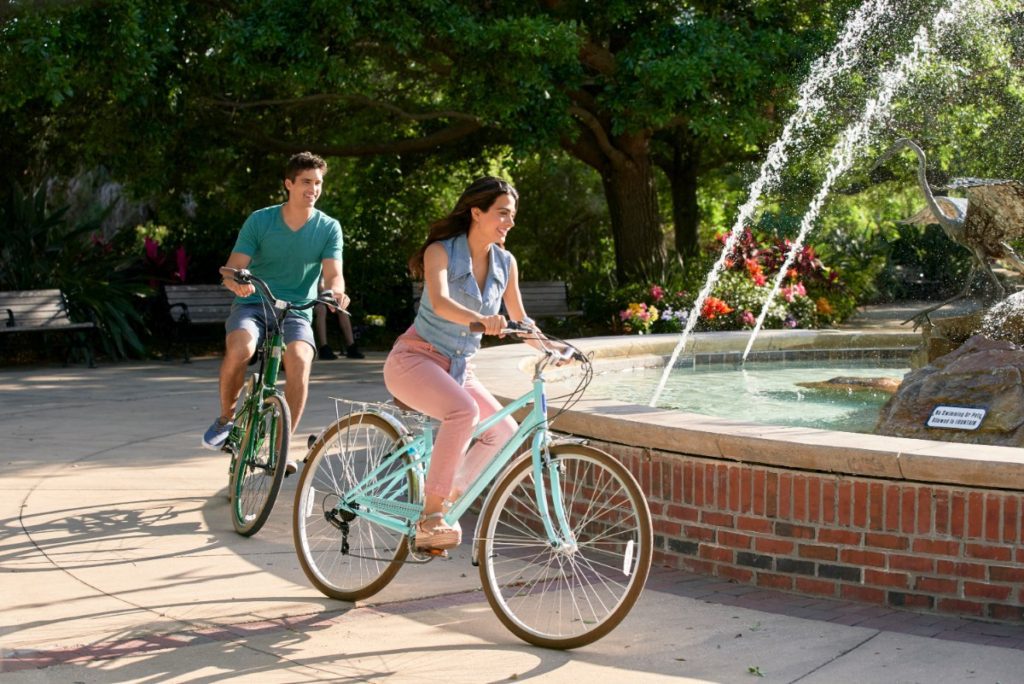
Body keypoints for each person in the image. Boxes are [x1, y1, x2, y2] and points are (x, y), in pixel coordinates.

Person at [382, 176, 571, 551]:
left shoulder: (505, 262)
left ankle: (447, 497)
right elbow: (439, 302)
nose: (510, 222)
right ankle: (430, 517)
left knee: (502, 431)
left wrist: (552, 347)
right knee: (463, 411)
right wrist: (482, 319)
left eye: (512, 215)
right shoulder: (441, 251)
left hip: (458, 369)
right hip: (414, 360)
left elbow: (520, 318)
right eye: (502, 213)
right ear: (476, 212)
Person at [202, 151, 350, 476]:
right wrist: (236, 283)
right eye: (306, 182)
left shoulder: (328, 228)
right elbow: (233, 268)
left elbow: (333, 273)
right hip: (254, 303)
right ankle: (226, 420)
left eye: (318, 183)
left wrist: (337, 290)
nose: (313, 189)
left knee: (299, 361)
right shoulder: (261, 220)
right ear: (289, 184)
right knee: (241, 349)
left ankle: (280, 447)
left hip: (297, 311)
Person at [314, 279, 364, 360]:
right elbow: (320, 287)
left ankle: (351, 346)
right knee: (321, 309)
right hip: (312, 298)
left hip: (327, 297)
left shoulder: (327, 267)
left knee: (342, 309)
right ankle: (324, 347)